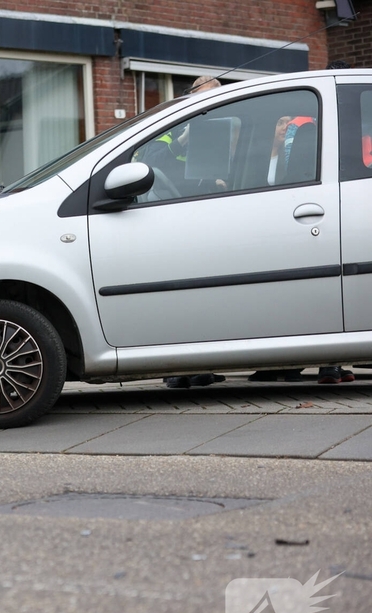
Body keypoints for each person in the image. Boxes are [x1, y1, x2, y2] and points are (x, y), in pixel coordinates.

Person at [162, 76, 226, 389]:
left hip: (213, 218)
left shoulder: (226, 128)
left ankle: (206, 365)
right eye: (205, 98)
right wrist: (184, 137)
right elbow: (152, 163)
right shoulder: (171, 127)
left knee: (209, 294)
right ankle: (177, 367)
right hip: (172, 217)